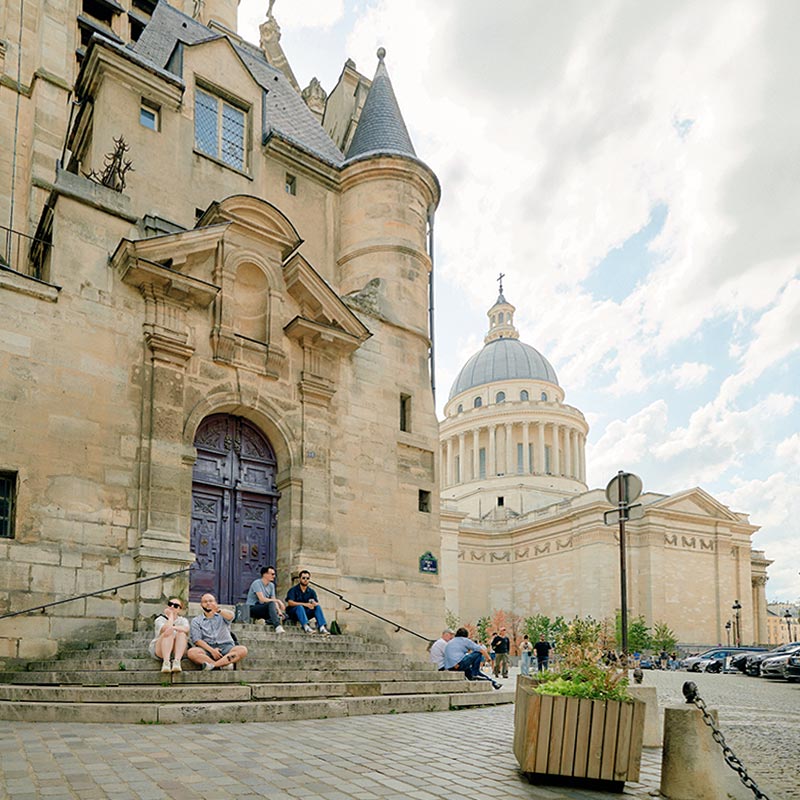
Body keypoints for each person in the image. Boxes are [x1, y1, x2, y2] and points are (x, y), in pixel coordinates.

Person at [187, 593, 248, 670]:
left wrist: (218, 610)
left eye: (211, 601)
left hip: (226, 647)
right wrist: (212, 651)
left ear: (215, 602)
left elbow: (231, 616)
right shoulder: (196, 621)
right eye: (205, 602)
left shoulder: (222, 615)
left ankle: (213, 665)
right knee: (192, 652)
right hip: (207, 648)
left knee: (242, 650)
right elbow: (197, 640)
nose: (208, 603)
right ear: (201, 605)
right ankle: (224, 663)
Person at [149, 597, 189, 673]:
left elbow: (186, 629)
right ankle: (166, 662)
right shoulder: (160, 619)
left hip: (176, 650)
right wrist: (170, 616)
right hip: (160, 650)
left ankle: (177, 661)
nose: (172, 607)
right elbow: (166, 629)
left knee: (181, 633)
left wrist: (174, 627)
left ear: (179, 609)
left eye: (176, 606)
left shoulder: (183, 620)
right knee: (168, 632)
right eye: (170, 604)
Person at [285, 569, 329, 634]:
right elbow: (290, 602)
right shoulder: (293, 590)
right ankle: (306, 627)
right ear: (300, 579)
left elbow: (315, 602)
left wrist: (313, 604)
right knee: (299, 607)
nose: (305, 580)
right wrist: (305, 604)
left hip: (306, 613)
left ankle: (322, 627)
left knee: (318, 607)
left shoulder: (311, 591)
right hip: (294, 613)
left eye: (307, 578)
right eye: (303, 578)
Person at [247, 566, 285, 633]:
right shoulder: (257, 583)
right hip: (253, 608)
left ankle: (265, 621)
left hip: (264, 608)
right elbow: (262, 599)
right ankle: (277, 626)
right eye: (272, 574)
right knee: (271, 604)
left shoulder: (271, 585)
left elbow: (273, 598)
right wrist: (278, 601)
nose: (274, 576)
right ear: (265, 574)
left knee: (285, 616)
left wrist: (279, 611)